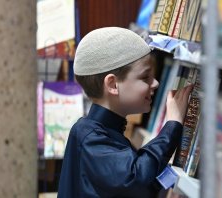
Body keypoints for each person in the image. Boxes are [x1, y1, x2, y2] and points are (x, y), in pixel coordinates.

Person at [58, 27, 193, 198]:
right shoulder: (91, 139)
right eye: (145, 77)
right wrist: (173, 124)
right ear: (113, 84)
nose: (156, 83)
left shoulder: (96, 132)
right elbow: (136, 178)